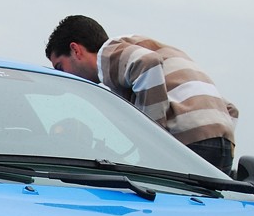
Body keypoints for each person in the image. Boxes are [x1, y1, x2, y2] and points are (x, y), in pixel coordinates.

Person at [44, 14, 239, 173]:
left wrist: (151, 141)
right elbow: (230, 108)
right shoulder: (146, 45)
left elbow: (147, 63)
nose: (64, 76)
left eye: (60, 67)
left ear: (76, 50)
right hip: (223, 145)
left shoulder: (109, 53)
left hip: (189, 144)